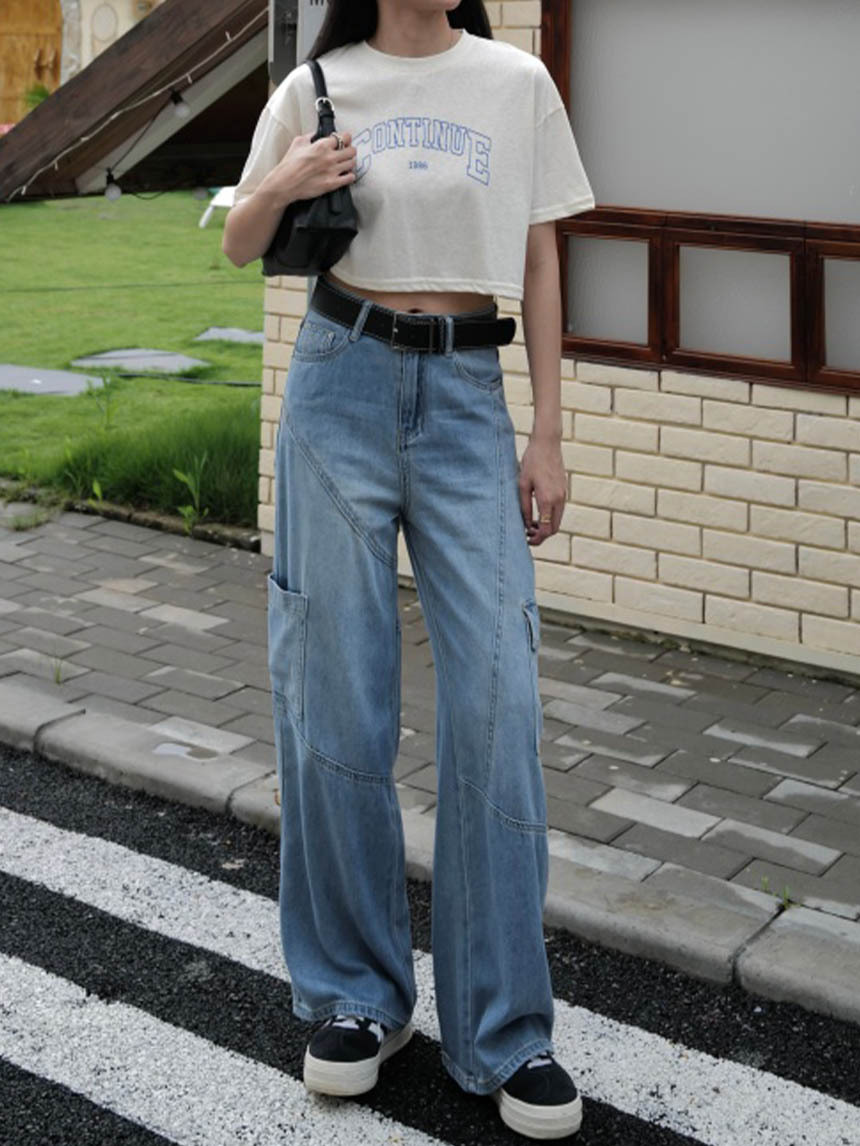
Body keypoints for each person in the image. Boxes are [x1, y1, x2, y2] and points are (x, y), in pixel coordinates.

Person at [222, 1, 595, 1138]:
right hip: (337, 382)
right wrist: (290, 179)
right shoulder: (314, 84)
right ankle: (355, 998)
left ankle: (505, 1031)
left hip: (468, 401)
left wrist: (547, 434)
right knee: (335, 692)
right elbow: (240, 240)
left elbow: (540, 255)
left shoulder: (515, 82)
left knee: (497, 698)